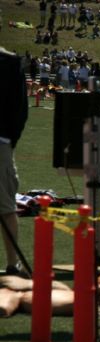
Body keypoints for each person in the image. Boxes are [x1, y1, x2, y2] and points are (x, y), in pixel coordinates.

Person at [0, 48, 29, 276]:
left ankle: (12, 264)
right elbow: (20, 111)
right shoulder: (11, 63)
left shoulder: (10, 63)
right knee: (6, 206)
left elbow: (19, 110)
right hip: (2, 142)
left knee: (6, 205)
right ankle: (12, 264)